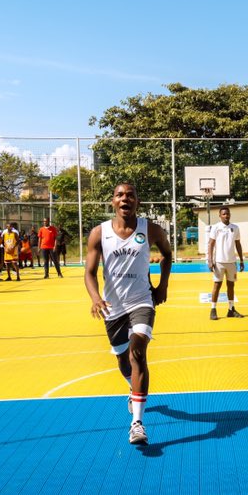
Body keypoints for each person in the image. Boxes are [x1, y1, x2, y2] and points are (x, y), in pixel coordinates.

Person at [84, 183, 172, 446]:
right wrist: (96, 297)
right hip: (113, 307)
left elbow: (167, 255)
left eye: (130, 195)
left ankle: (137, 424)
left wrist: (162, 285)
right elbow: (89, 272)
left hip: (141, 301)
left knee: (137, 351)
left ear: (138, 201)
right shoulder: (99, 233)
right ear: (113, 201)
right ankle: (132, 388)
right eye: (120, 195)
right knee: (124, 361)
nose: (125, 199)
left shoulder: (151, 229)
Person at [206, 206, 245, 320]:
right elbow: (211, 244)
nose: (226, 216)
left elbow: (238, 244)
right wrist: (210, 260)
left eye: (227, 214)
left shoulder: (235, 228)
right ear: (220, 215)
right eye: (223, 214)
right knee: (217, 285)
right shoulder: (216, 227)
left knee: (231, 285)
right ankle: (213, 310)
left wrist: (241, 260)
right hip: (219, 262)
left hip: (232, 262)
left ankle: (231, 309)